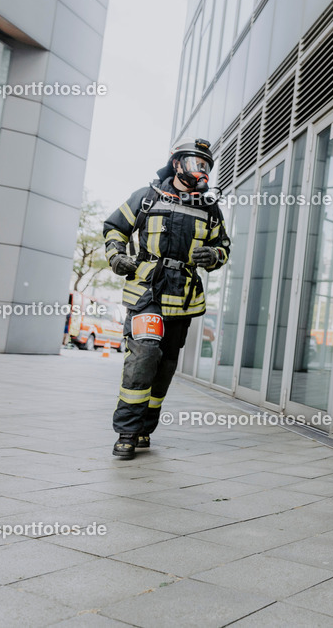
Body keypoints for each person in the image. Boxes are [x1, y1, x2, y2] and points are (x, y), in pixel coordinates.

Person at [103, 138, 230, 459]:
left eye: (206, 166)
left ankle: (146, 427)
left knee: (165, 365)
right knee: (144, 356)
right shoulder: (146, 197)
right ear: (177, 164)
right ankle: (127, 431)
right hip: (147, 290)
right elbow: (114, 228)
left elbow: (224, 247)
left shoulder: (209, 208)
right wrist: (117, 255)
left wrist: (213, 254)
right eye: (195, 163)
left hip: (184, 297)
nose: (201, 171)